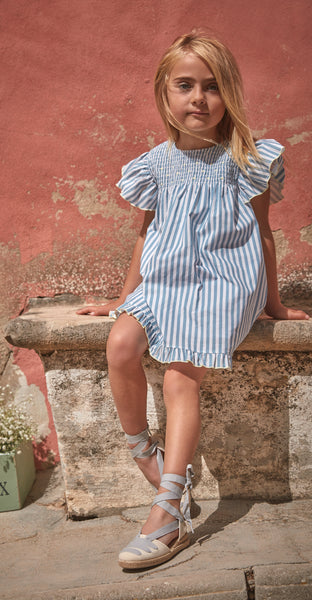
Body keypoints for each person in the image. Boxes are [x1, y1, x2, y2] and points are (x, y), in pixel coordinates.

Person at [77, 31, 309, 570]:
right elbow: (146, 233)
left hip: (226, 280)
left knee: (182, 373)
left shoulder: (244, 157)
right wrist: (123, 296)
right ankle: (146, 455)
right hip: (166, 280)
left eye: (212, 86)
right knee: (120, 345)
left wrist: (272, 304)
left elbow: (263, 230)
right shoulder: (154, 165)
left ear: (228, 94)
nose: (198, 98)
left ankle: (169, 513)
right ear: (164, 94)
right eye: (185, 85)